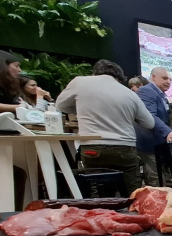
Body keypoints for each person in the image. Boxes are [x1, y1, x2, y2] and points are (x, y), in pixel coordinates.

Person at [56, 60, 155, 194]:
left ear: (94, 73)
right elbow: (149, 123)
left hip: (93, 147)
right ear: (120, 78)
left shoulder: (79, 82)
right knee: (132, 193)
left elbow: (60, 106)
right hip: (124, 148)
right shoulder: (130, 94)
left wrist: (83, 109)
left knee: (97, 191)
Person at [136, 67, 172, 186]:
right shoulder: (146, 91)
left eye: (170, 79)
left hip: (158, 142)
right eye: (165, 78)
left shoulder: (161, 95)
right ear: (153, 77)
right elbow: (150, 116)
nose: (168, 82)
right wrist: (168, 132)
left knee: (160, 178)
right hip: (148, 142)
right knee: (155, 180)